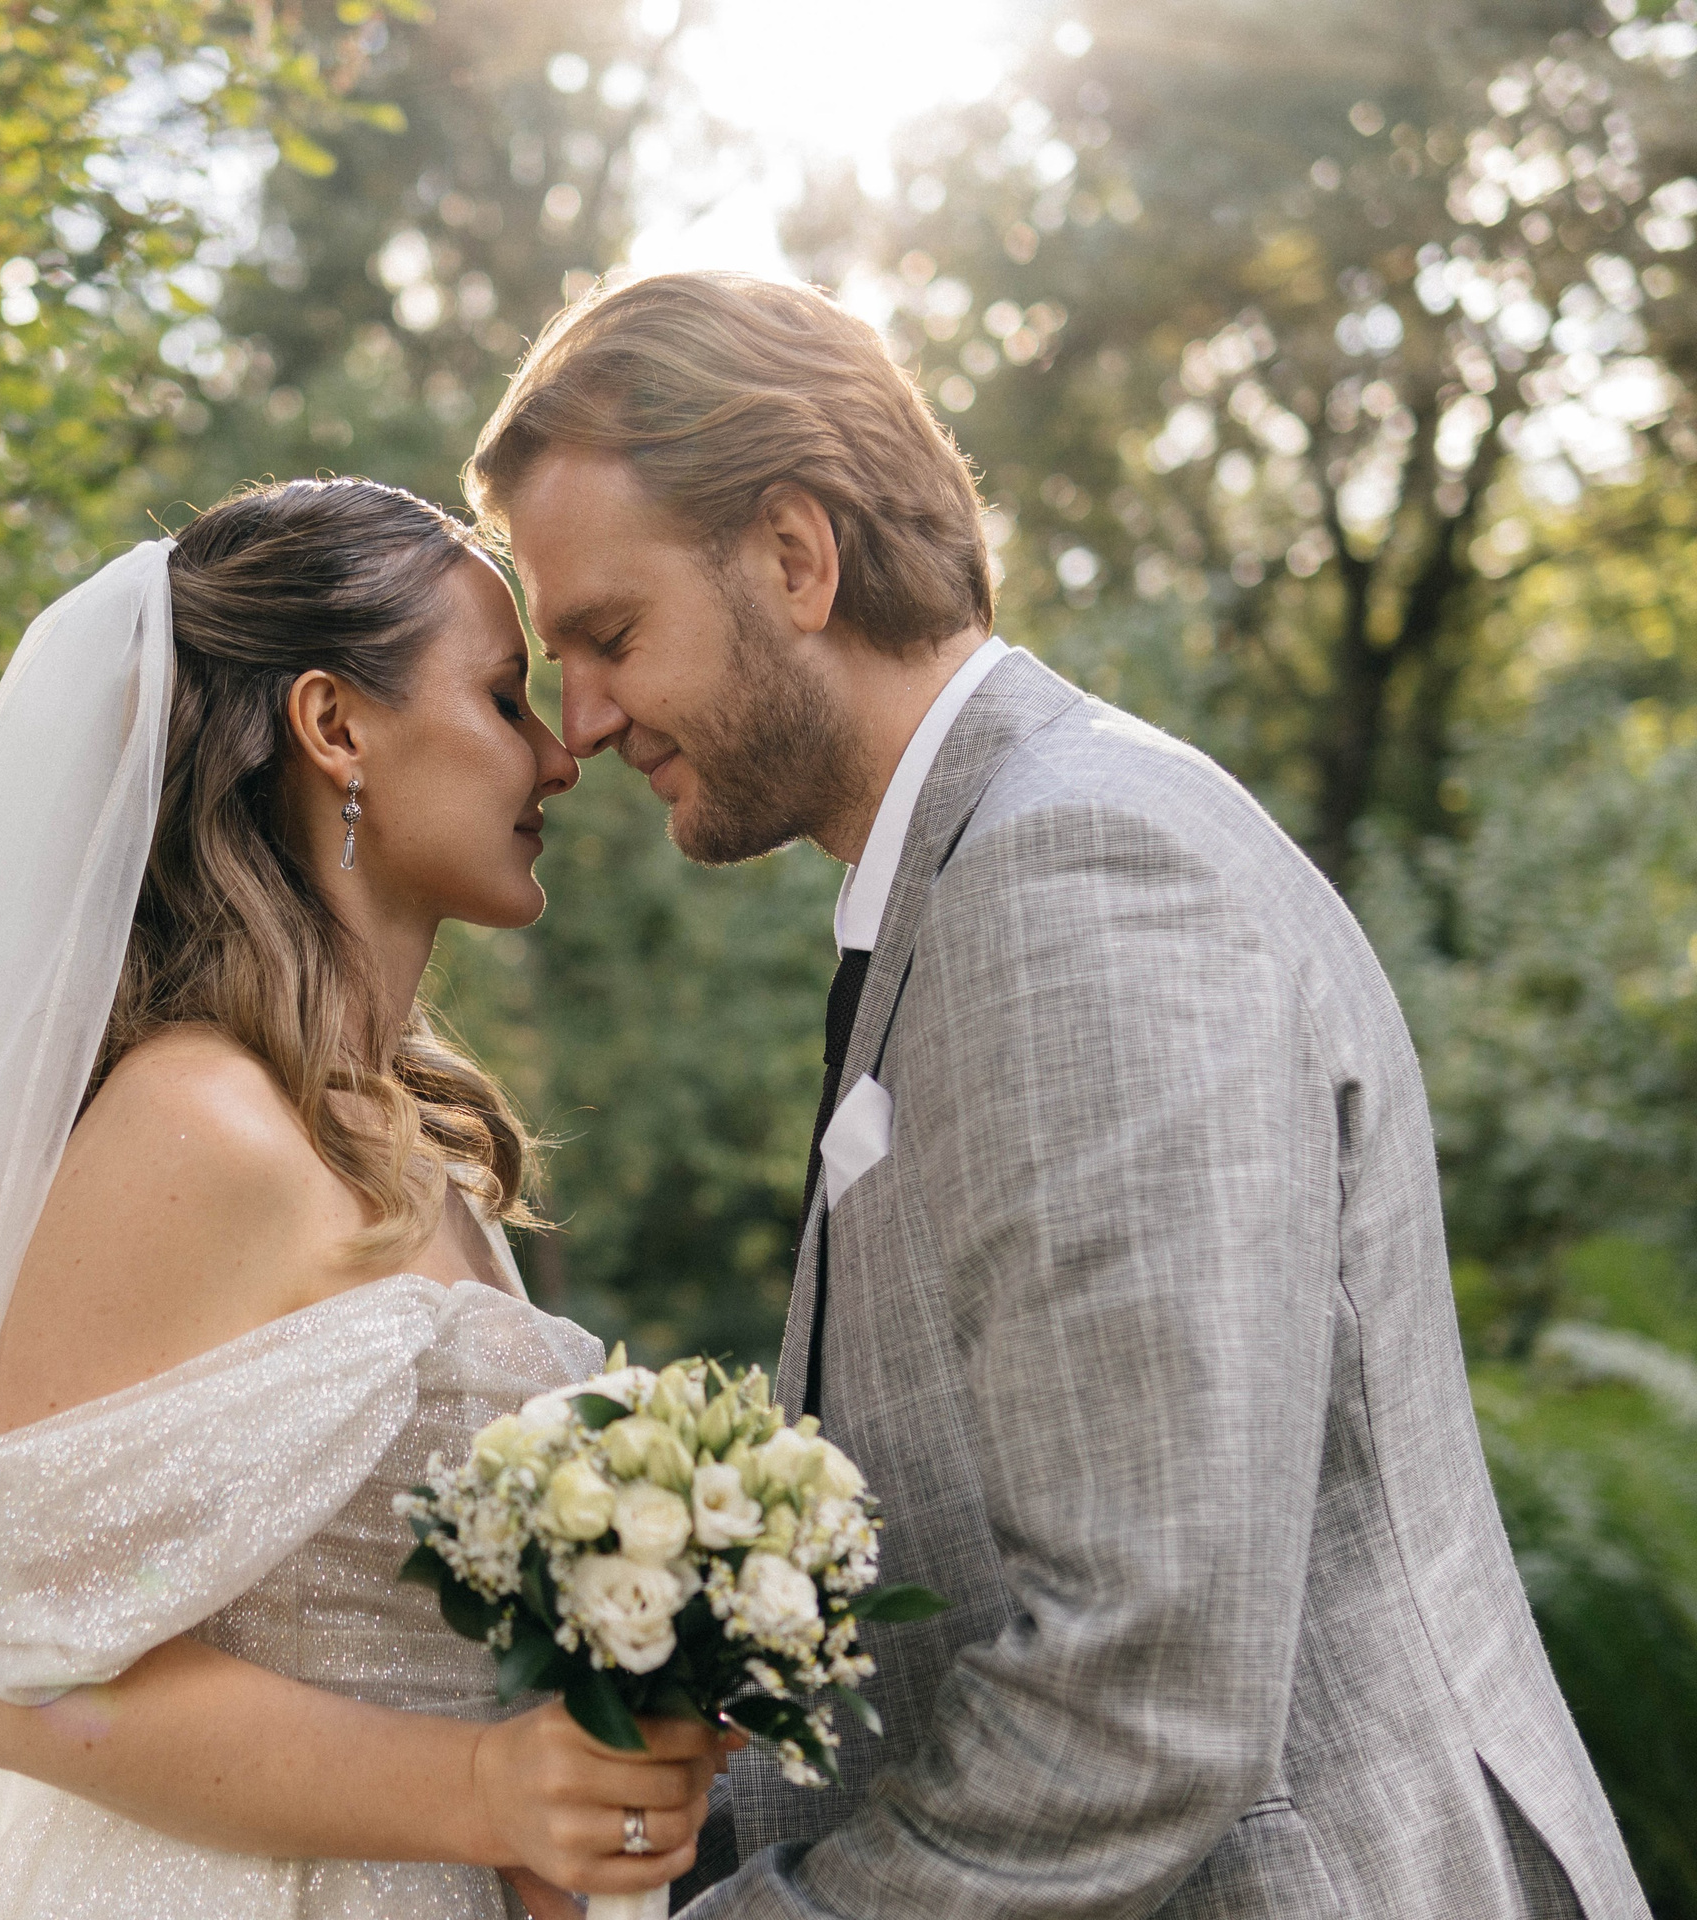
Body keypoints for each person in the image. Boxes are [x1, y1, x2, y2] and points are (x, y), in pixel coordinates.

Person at [462, 269, 1650, 1920]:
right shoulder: (981, 867)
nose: (580, 723)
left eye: (609, 635)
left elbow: (1145, 1695)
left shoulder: (1070, 878)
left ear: (797, 561)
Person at [0, 478, 717, 1920]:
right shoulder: (199, 1120)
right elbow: (22, 1676)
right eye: (506, 701)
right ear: (335, 727)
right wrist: (484, 1791)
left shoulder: (408, 1143)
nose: (561, 759)